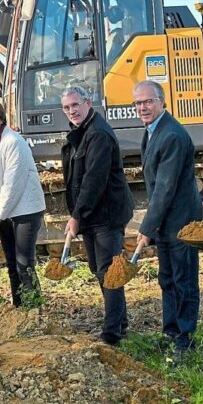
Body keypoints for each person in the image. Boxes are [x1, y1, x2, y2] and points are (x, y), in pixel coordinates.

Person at [133, 80, 203, 360]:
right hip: (166, 222)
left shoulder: (172, 135)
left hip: (182, 223)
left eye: (147, 101)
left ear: (161, 101)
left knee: (183, 279)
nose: (142, 107)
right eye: (138, 103)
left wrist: (146, 227)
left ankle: (185, 339)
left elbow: (165, 188)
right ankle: (171, 331)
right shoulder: (152, 132)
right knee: (167, 278)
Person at [60, 86, 134, 346]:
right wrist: (79, 213)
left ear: (88, 103)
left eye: (75, 105)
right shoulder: (81, 133)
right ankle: (120, 322)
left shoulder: (98, 134)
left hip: (106, 214)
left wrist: (76, 215)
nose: (72, 111)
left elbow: (94, 180)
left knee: (108, 271)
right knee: (99, 269)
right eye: (67, 108)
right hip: (93, 215)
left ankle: (112, 334)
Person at [0, 99, 46, 306]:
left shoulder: (12, 141)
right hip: (5, 211)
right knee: (12, 263)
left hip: (24, 210)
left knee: (24, 263)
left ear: (1, 118)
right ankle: (19, 308)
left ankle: (34, 310)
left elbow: (12, 183)